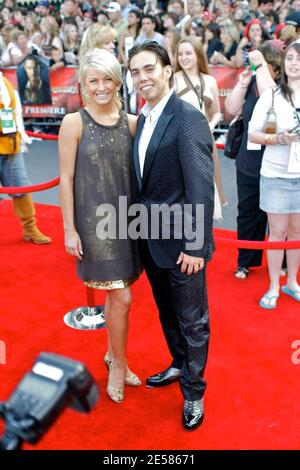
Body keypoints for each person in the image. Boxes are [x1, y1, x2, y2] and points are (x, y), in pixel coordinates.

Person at [128, 42, 214, 430]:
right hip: (150, 240)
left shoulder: (188, 117)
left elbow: (201, 186)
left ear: (167, 71)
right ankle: (179, 365)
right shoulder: (143, 118)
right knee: (167, 312)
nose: (142, 78)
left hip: (183, 246)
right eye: (135, 72)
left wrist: (197, 244)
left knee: (193, 320)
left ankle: (194, 393)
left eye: (149, 69)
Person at [59, 48, 142, 403]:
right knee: (122, 296)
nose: (101, 86)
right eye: (93, 80)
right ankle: (119, 365)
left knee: (116, 295)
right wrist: (69, 228)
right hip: (94, 228)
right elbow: (65, 178)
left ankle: (112, 354)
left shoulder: (133, 121)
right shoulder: (73, 123)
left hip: (128, 224)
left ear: (118, 81)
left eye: (107, 78)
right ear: (83, 84)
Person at [225, 41, 283, 280]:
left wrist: (259, 69)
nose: (258, 67)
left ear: (275, 68)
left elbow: (273, 101)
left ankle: (281, 261)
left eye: (264, 64)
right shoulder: (251, 85)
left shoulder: (282, 89)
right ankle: (246, 260)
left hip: (277, 161)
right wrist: (242, 82)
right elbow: (230, 108)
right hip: (248, 161)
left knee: (278, 216)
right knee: (248, 212)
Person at [248, 41, 300, 308]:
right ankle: (272, 286)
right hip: (276, 174)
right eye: (290, 58)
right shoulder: (271, 95)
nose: (294, 63)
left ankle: (292, 282)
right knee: (278, 233)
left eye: (298, 59)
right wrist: (279, 138)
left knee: (297, 233)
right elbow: (253, 133)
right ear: (283, 63)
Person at [174, 36, 225, 215]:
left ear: (197, 54)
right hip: (180, 140)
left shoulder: (209, 80)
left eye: (188, 53)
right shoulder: (173, 80)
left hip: (205, 139)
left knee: (205, 185)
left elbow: (217, 112)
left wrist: (209, 125)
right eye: (180, 54)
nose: (184, 57)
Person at [0, 72, 51, 244]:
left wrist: (21, 139)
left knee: (21, 187)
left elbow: (15, 114)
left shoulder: (5, 83)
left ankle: (30, 228)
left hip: (10, 144)